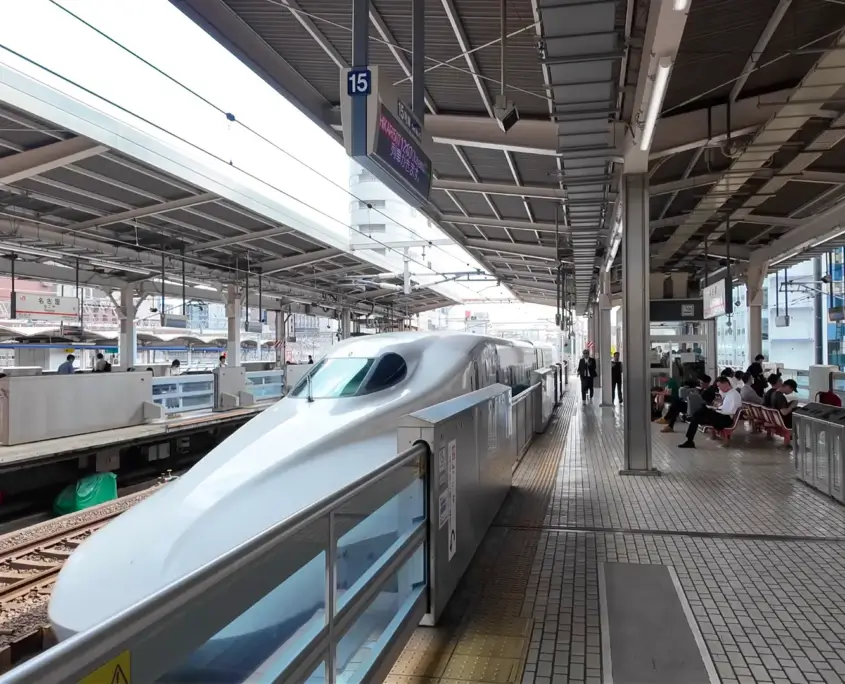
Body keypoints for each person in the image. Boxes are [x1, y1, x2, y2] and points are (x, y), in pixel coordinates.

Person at [679, 376, 741, 448]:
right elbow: (724, 408)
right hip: (723, 416)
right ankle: (689, 439)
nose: (719, 388)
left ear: (726, 383)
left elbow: (731, 411)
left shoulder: (733, 394)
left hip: (726, 419)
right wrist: (715, 408)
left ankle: (690, 437)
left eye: (719, 386)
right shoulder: (729, 394)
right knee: (700, 413)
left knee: (700, 413)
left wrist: (716, 410)